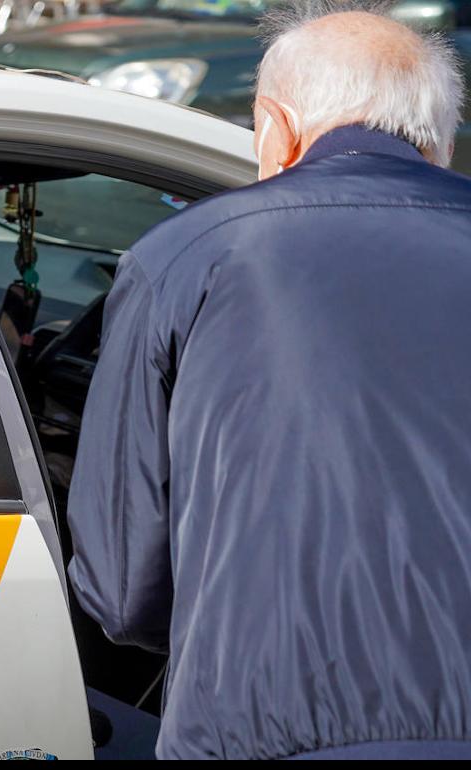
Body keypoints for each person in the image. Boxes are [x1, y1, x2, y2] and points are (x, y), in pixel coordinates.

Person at [65, 0, 471, 760]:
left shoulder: (189, 255)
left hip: (257, 725)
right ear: (439, 143)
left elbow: (121, 588)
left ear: (274, 128)